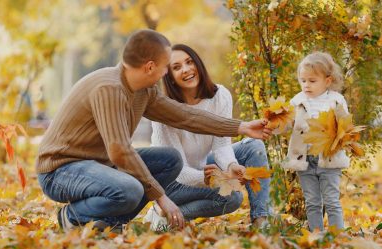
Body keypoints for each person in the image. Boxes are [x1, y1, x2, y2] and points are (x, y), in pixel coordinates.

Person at [36, 30, 271, 233]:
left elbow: (186, 116)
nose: (167, 73)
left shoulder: (144, 91)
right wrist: (161, 197)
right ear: (150, 67)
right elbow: (119, 151)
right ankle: (71, 217)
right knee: (130, 189)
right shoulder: (109, 88)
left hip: (99, 166)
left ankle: (110, 222)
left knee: (169, 160)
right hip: (61, 171)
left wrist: (241, 127)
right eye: (166, 66)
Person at [150, 44, 271, 228]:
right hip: (170, 184)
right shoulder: (164, 111)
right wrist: (207, 179)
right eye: (177, 67)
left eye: (189, 62)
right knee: (232, 197)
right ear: (170, 77)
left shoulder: (220, 96)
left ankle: (261, 220)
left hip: (202, 167)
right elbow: (178, 170)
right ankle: (168, 217)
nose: (186, 69)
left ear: (198, 64)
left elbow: (221, 144)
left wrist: (231, 165)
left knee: (253, 146)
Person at [282, 51, 350, 232]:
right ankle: (316, 236)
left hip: (328, 159)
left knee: (331, 200)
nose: (306, 85)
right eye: (303, 80)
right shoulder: (298, 101)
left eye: (312, 81)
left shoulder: (336, 101)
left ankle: (337, 236)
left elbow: (345, 128)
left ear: (327, 81)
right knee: (312, 201)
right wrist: (276, 123)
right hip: (305, 160)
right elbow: (286, 124)